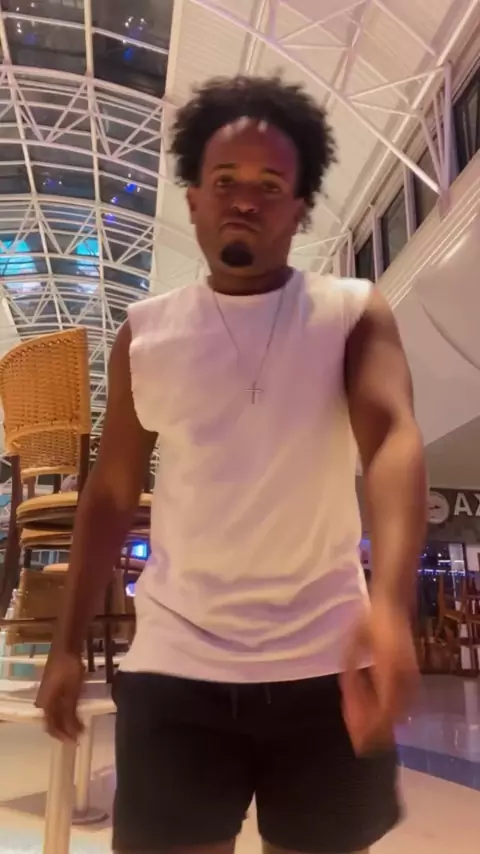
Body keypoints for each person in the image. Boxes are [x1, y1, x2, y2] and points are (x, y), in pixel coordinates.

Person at [37, 75, 427, 854]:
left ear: (300, 206)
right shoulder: (147, 333)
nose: (244, 199)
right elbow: (111, 492)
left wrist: (390, 605)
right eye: (224, 181)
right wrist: (68, 641)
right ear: (192, 198)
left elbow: (391, 440)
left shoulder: (352, 312)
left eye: (270, 184)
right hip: (176, 667)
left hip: (329, 666)